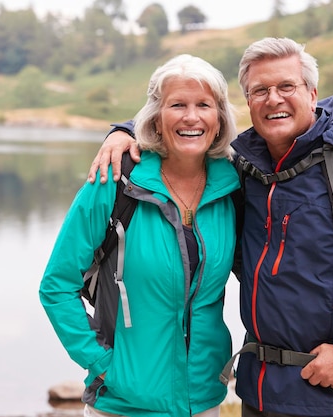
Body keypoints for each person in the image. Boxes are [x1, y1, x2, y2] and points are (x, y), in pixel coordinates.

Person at [86, 37, 333, 417]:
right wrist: (124, 132)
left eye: (286, 86)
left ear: (312, 92)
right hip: (257, 393)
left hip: (331, 393)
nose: (274, 99)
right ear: (247, 101)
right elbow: (182, 134)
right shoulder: (242, 169)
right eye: (260, 90)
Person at [40, 54, 241, 417]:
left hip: (204, 400)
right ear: (156, 117)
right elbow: (56, 285)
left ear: (220, 117)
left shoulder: (233, 187)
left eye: (203, 105)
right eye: (177, 104)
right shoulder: (115, 180)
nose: (191, 117)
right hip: (123, 403)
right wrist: (103, 364)